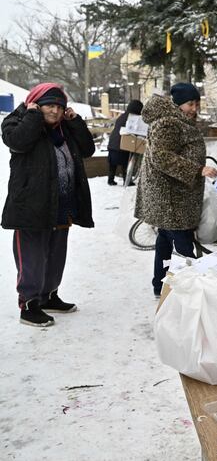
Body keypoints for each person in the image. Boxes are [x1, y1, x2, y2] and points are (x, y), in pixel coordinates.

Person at [1, 83, 95, 327]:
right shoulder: (18, 122)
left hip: (61, 203)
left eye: (59, 106)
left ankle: (48, 295)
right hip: (31, 205)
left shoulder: (65, 128)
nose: (54, 111)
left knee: (55, 254)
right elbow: (18, 142)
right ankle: (29, 303)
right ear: (35, 104)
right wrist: (32, 115)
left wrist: (75, 122)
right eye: (48, 106)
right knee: (32, 255)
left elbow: (87, 149)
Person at [134, 83, 217, 297]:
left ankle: (160, 284)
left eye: (196, 103)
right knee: (183, 245)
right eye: (190, 104)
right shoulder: (169, 123)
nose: (194, 108)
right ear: (178, 104)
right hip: (170, 197)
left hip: (174, 194)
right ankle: (190, 290)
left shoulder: (177, 121)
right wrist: (198, 169)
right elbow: (162, 157)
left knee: (165, 239)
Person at [106, 99, 144, 186]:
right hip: (121, 145)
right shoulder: (132, 118)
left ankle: (110, 180)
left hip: (112, 143)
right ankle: (126, 180)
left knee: (112, 165)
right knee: (125, 163)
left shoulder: (122, 116)